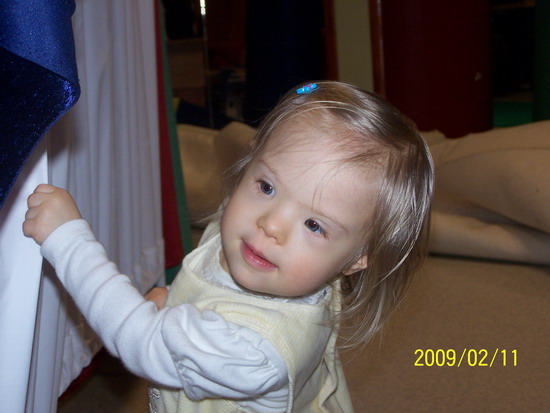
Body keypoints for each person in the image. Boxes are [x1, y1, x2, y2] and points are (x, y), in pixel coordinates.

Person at [23, 81, 433, 412]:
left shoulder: (253, 350)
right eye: (267, 186)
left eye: (313, 225)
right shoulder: (272, 249)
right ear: (251, 162)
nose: (270, 224)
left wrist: (68, 239)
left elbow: (138, 339)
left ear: (356, 260)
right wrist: (177, 302)